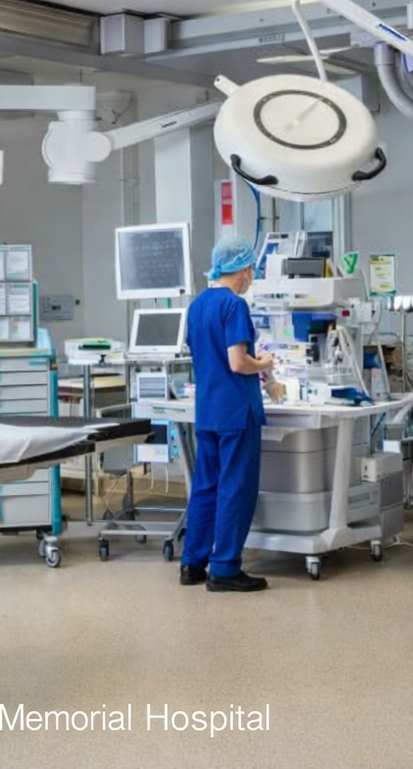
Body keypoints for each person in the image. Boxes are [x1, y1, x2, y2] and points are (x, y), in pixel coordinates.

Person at [179, 237, 285, 594]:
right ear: (243, 270)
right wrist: (266, 363)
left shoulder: (197, 306)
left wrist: (263, 377)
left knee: (206, 487)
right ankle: (224, 567)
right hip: (236, 412)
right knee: (234, 489)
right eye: (251, 270)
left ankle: (192, 562)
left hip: (208, 411)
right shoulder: (234, 305)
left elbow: (206, 356)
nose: (251, 277)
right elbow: (238, 362)